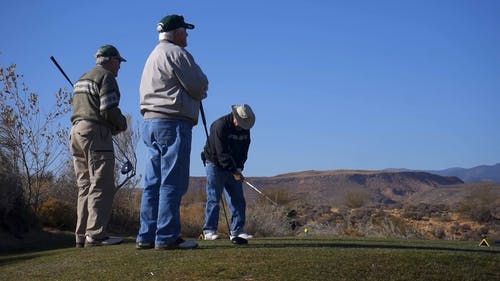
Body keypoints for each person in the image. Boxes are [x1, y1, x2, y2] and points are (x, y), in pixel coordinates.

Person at [137, 14, 209, 250]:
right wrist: (201, 88)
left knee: (153, 182)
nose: (187, 35)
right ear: (176, 33)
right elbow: (198, 85)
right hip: (172, 121)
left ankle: (146, 236)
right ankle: (167, 236)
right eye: (185, 31)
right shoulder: (177, 53)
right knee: (172, 182)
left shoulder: (152, 55)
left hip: (150, 123)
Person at [70, 44, 128, 247]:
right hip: (95, 133)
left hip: (76, 132)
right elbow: (108, 110)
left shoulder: (81, 79)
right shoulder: (106, 77)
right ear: (111, 60)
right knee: (101, 184)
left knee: (84, 185)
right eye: (119, 62)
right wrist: (121, 124)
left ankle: (81, 235)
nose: (119, 67)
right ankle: (95, 235)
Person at [201, 104, 256, 244]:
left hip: (232, 166)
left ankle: (237, 231)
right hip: (214, 163)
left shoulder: (245, 130)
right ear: (235, 117)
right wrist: (233, 171)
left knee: (238, 198)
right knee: (214, 197)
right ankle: (209, 231)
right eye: (241, 121)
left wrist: (239, 168)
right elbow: (221, 153)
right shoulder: (220, 126)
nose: (242, 125)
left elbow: (244, 152)